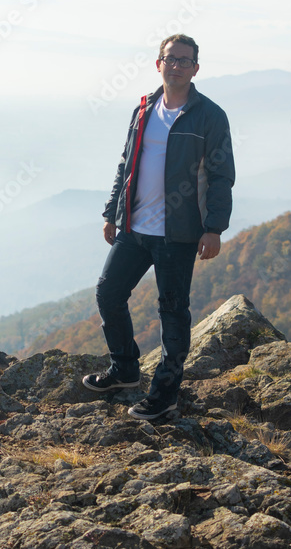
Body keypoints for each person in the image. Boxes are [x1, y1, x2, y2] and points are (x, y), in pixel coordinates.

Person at [83, 34, 235, 420]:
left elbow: (221, 176)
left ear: (196, 69)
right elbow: (126, 164)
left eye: (185, 61)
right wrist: (112, 212)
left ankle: (165, 393)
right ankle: (125, 370)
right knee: (108, 293)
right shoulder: (144, 108)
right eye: (171, 59)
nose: (177, 66)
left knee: (172, 311)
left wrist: (214, 227)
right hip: (135, 227)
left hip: (179, 233)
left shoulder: (210, 116)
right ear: (158, 63)